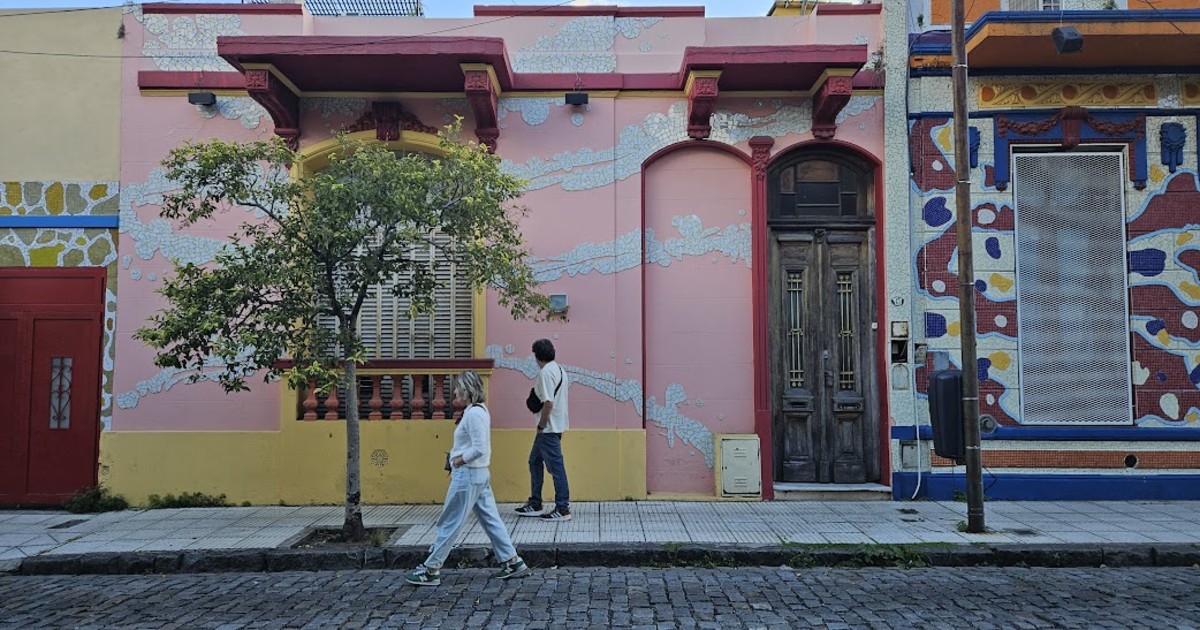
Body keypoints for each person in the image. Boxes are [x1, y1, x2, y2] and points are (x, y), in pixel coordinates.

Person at [405, 371, 529, 586]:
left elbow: (480, 448)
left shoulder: (474, 414)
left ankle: (431, 569)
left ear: (467, 390)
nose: (454, 392)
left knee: (450, 521)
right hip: (478, 474)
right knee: (491, 519)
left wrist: (459, 460)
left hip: (469, 474)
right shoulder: (478, 410)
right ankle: (512, 561)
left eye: (458, 388)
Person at [515, 338, 572, 521]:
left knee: (556, 468)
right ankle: (535, 503)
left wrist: (541, 425)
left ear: (537, 356)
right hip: (555, 426)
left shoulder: (546, 373)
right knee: (534, 461)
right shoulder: (559, 369)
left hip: (548, 428)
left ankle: (562, 509)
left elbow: (548, 403)